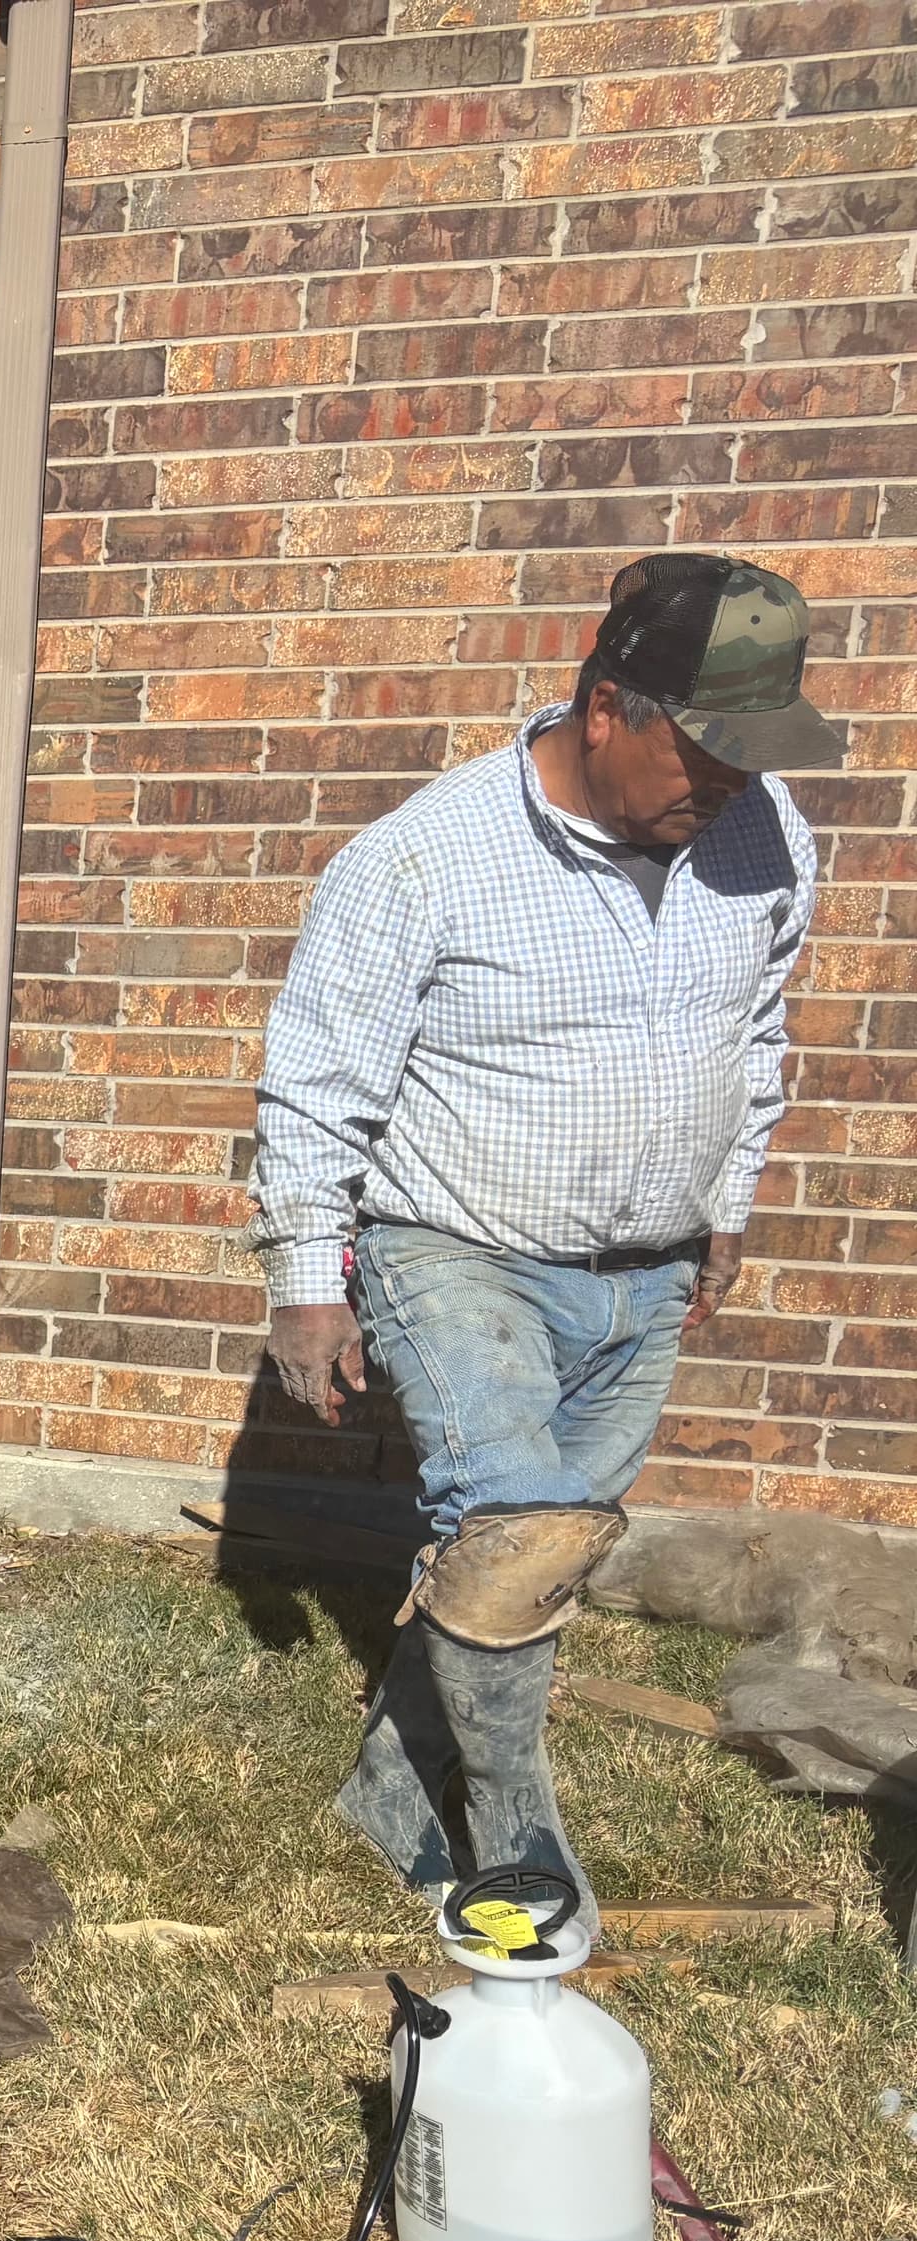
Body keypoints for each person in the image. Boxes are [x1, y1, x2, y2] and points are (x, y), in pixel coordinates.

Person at [250, 552, 837, 1906]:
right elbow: (315, 1080)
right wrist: (306, 1283)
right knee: (516, 1529)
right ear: (607, 708)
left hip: (647, 1273)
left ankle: (393, 1791)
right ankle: (515, 1831)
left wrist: (726, 1202)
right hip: (455, 1249)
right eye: (706, 748)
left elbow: (755, 1033)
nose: (732, 783)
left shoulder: (763, 832)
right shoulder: (424, 858)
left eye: (756, 755)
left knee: (537, 1551)